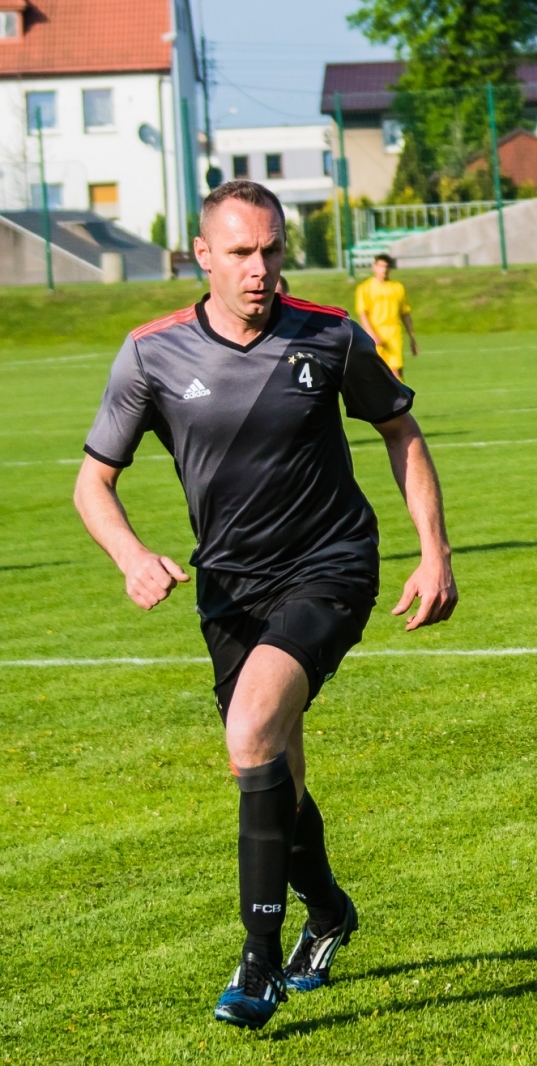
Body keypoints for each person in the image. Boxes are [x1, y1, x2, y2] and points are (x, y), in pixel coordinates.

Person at [74, 180, 457, 1028]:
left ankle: (257, 964)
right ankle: (328, 911)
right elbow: (93, 481)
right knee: (265, 768)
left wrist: (434, 552)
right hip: (229, 589)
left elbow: (399, 429)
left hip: (331, 567)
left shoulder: (329, 333)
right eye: (242, 253)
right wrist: (131, 555)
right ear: (202, 256)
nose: (261, 269)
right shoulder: (151, 354)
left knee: (252, 731)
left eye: (273, 250)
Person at [354, 253, 417, 378]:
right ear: (374, 267)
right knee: (376, 371)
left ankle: (400, 397)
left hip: (393, 332)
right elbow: (363, 313)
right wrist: (371, 334)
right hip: (376, 331)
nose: (384, 269)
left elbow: (405, 313)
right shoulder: (365, 288)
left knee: (396, 371)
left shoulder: (397, 287)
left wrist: (412, 337)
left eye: (387, 266)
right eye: (381, 266)